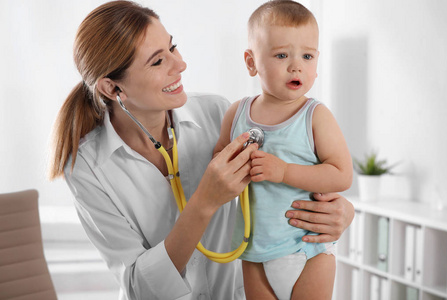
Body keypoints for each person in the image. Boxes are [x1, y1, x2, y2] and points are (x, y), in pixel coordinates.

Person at [47, 1, 354, 299]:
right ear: (113, 89)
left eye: (172, 47)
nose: (180, 64)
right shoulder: (86, 167)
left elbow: (296, 175)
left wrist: (343, 212)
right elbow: (139, 287)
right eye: (157, 61)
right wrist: (205, 201)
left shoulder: (221, 114)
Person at [213, 1, 353, 299]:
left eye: (307, 55)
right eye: (281, 55)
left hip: (308, 248)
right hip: (253, 251)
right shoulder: (236, 114)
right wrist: (233, 165)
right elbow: (217, 163)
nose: (296, 65)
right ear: (251, 62)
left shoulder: (315, 116)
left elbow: (341, 175)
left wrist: (284, 171)